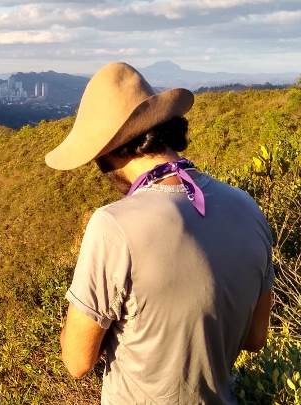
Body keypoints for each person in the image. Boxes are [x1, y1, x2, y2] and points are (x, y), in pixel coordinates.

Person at [44, 62, 275, 404]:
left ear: (109, 152)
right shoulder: (247, 208)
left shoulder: (113, 225)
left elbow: (77, 361)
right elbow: (255, 338)